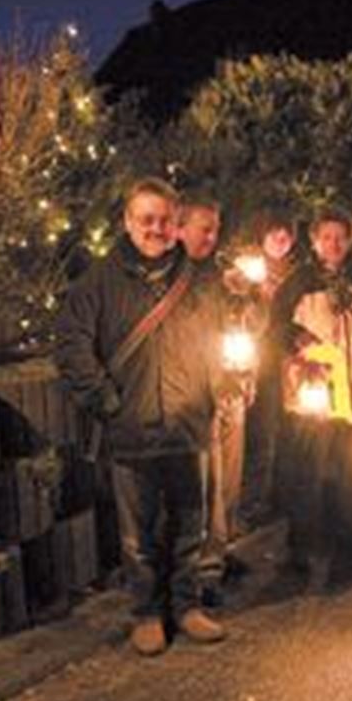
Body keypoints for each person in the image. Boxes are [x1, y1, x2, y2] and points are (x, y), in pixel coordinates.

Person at [54, 177, 227, 657]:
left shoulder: (196, 279)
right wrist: (107, 401)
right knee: (138, 536)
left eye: (164, 220)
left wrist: (217, 391)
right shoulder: (98, 282)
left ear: (176, 224)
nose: (155, 228)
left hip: (187, 426)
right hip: (132, 429)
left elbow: (215, 341)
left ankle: (186, 607)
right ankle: (147, 614)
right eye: (146, 219)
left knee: (191, 527)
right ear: (128, 222)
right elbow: (71, 345)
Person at [271, 210, 352, 588]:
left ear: (350, 239)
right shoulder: (298, 283)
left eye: (341, 237)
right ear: (315, 240)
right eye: (327, 237)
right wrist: (297, 341)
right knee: (310, 471)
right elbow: (274, 328)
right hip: (315, 394)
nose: (334, 244)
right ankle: (304, 545)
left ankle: (351, 538)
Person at [178, 196, 253, 606]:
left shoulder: (220, 278)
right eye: (203, 228)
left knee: (230, 475)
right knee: (208, 480)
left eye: (215, 228)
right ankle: (203, 569)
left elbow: (242, 328)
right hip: (200, 391)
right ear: (180, 228)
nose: (211, 236)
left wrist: (247, 372)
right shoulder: (176, 277)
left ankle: (220, 552)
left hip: (232, 384)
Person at [239, 213, 301, 529]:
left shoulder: (298, 274)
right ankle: (250, 503)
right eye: (274, 232)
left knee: (288, 430)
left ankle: (282, 497)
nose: (280, 238)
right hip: (258, 359)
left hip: (290, 360)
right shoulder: (248, 273)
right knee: (260, 431)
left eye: (286, 233)